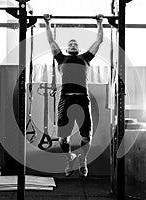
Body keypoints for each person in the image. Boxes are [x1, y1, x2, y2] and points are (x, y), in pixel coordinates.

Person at [44, 14, 103, 177]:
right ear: (67, 48)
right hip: (66, 100)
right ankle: (69, 157)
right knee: (63, 139)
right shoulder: (61, 58)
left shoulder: (86, 58)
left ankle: (83, 160)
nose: (73, 44)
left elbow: (98, 42)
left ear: (78, 48)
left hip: (83, 100)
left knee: (86, 137)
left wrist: (100, 23)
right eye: (70, 43)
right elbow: (51, 42)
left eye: (75, 43)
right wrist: (47, 23)